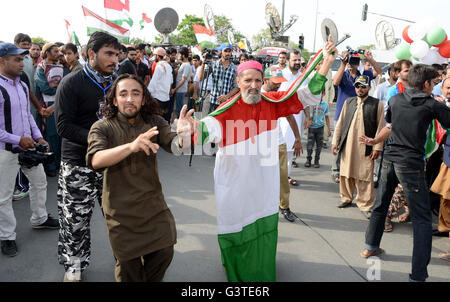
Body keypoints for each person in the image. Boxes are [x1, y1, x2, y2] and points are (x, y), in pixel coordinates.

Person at [191, 38, 337, 281]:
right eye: (248, 81)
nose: (254, 86)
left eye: (258, 80)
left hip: (264, 185)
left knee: (263, 225)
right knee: (236, 224)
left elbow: (306, 96)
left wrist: (326, 63)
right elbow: (203, 130)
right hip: (235, 185)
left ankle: (261, 268)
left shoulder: (273, 102)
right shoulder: (226, 109)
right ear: (238, 82)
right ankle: (235, 264)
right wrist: (189, 128)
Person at [86, 75, 193, 282]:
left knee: (164, 251)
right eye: (123, 94)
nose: (129, 99)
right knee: (128, 269)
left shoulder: (154, 122)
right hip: (120, 213)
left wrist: (185, 136)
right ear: (114, 100)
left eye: (136, 94)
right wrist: (132, 146)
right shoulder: (102, 127)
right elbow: (96, 160)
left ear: (143, 99)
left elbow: (175, 146)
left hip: (153, 207)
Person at [359, 64, 450, 282]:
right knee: (421, 219)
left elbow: (390, 126)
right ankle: (418, 275)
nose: (435, 87)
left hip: (390, 158)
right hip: (410, 163)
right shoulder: (430, 104)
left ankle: (370, 247)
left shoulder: (395, 99)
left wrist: (375, 141)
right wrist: (442, 105)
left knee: (381, 204)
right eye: (434, 83)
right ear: (427, 84)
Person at [54, 31, 121, 282]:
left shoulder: (118, 84)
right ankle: (74, 265)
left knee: (118, 216)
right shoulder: (71, 83)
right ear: (91, 54)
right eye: (109, 54)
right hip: (77, 164)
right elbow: (63, 126)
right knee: (75, 221)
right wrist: (100, 140)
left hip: (112, 164)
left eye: (116, 54)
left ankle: (124, 262)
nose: (114, 59)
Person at [0, 43, 59, 257]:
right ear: (2, 61)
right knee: (4, 197)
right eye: (16, 59)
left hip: (29, 148)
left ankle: (39, 219)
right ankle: (7, 237)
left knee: (40, 182)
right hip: (5, 151)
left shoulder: (22, 85)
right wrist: (18, 139)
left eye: (22, 59)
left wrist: (38, 137)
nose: (22, 63)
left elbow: (27, 116)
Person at [332, 75, 384, 219]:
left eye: (363, 86)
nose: (360, 89)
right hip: (348, 144)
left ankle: (365, 204)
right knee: (345, 172)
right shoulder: (349, 102)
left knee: (365, 174)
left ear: (369, 87)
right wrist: (335, 142)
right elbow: (340, 124)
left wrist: (377, 147)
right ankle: (346, 198)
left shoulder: (376, 104)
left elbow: (381, 127)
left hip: (366, 146)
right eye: (357, 86)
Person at [332, 49, 382, 184]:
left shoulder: (363, 74)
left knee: (356, 143)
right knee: (340, 142)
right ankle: (337, 170)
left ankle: (353, 169)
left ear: (358, 63)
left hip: (362, 113)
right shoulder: (343, 73)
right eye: (350, 60)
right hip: (344, 113)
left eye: (354, 61)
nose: (351, 63)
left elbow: (378, 71)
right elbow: (335, 83)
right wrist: (343, 64)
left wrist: (370, 59)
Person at [262, 65, 302, 223]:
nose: (278, 84)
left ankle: (284, 206)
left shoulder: (278, 97)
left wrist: (298, 139)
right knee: (261, 179)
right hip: (260, 145)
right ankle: (262, 209)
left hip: (278, 143)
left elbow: (290, 117)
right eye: (275, 81)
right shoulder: (255, 96)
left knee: (282, 178)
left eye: (280, 81)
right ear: (265, 80)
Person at [279, 49, 311, 175]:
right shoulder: (280, 76)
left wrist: (308, 116)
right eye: (294, 60)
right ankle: (277, 178)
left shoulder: (303, 78)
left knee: (291, 150)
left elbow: (305, 100)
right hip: (281, 119)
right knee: (280, 149)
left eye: (299, 60)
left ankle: (286, 177)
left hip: (297, 118)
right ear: (287, 61)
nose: (298, 62)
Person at [35, 42, 64, 177]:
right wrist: (58, 87)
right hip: (46, 106)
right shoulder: (41, 68)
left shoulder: (62, 67)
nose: (58, 54)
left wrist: (55, 86)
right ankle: (50, 165)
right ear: (47, 53)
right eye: (55, 51)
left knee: (59, 134)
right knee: (50, 135)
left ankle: (58, 163)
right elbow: (45, 87)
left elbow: (65, 86)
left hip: (59, 103)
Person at [198, 43, 240, 114]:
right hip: (213, 101)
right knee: (212, 124)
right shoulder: (213, 65)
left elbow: (237, 86)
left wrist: (226, 97)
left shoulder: (234, 68)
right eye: (225, 51)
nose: (227, 53)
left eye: (229, 51)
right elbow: (201, 78)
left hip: (227, 103)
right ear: (221, 52)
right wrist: (203, 62)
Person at [306, 89, 331, 168]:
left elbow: (327, 117)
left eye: (321, 93)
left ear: (324, 94)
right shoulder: (311, 104)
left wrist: (329, 129)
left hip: (320, 128)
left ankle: (316, 161)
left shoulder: (325, 105)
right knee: (310, 145)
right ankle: (308, 160)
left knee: (319, 146)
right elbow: (306, 114)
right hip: (311, 128)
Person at [148, 47, 173, 123]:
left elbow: (153, 82)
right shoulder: (169, 66)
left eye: (155, 55)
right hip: (166, 97)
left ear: (157, 56)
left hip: (158, 98)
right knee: (163, 120)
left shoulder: (159, 66)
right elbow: (171, 81)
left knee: (156, 121)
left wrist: (147, 94)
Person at [171, 47, 192, 118]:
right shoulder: (184, 64)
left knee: (179, 110)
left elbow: (183, 80)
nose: (178, 56)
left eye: (179, 55)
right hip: (180, 90)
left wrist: (175, 89)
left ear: (183, 55)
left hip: (181, 90)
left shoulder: (186, 65)